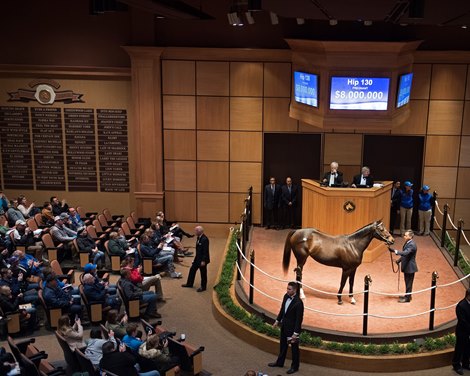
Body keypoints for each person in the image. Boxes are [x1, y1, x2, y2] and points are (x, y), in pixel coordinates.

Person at [268, 281, 304, 374]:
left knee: (294, 350)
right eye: (287, 288)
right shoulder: (285, 296)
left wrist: (295, 334)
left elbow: (298, 320)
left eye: (289, 289)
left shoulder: (299, 303)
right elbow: (282, 310)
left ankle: (295, 367)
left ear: (295, 290)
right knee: (283, 346)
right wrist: (277, 321)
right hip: (284, 326)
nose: (287, 290)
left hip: (292, 331)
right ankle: (280, 362)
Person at [389, 230, 418, 303]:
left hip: (410, 267)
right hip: (407, 267)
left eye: (406, 235)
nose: (404, 236)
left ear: (410, 236)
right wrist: (399, 260)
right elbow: (406, 255)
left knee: (409, 283)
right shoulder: (408, 242)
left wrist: (395, 251)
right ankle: (407, 295)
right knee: (407, 282)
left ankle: (408, 298)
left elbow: (405, 253)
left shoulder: (412, 245)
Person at [181, 226, 210, 292]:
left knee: (203, 274)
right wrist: (195, 259)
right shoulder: (198, 238)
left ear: (199, 231)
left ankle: (203, 287)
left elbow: (205, 251)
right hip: (197, 259)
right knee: (192, 270)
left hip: (203, 260)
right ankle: (189, 283)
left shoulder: (205, 239)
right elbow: (198, 251)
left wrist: (203, 261)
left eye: (196, 231)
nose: (195, 232)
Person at [452, 288, 470, 375]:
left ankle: (466, 364)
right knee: (459, 348)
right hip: (462, 331)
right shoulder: (461, 305)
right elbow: (463, 321)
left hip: (468, 331)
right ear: (468, 295)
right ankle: (456, 365)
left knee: (467, 348)